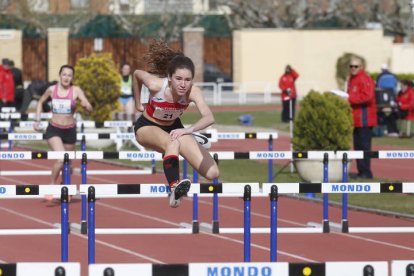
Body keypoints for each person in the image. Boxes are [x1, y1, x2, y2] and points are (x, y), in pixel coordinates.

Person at [133, 40, 219, 208]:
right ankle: (174, 189)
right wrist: (138, 102)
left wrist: (189, 130)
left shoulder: (193, 92)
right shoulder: (155, 85)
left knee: (212, 172)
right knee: (172, 143)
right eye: (178, 79)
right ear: (169, 78)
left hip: (174, 128)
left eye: (187, 80)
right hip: (147, 127)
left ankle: (190, 138)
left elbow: (209, 117)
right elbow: (136, 74)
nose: (183, 84)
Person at [34, 65, 92, 193]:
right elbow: (40, 102)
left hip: (70, 131)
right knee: (61, 159)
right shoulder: (51, 89)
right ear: (60, 75)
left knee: (68, 164)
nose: (66, 77)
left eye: (69, 75)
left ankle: (64, 185)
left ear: (72, 78)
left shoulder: (76, 90)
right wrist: (37, 120)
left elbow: (89, 108)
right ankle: (52, 185)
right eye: (64, 74)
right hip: (54, 129)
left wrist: (86, 106)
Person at [347, 56, 377, 179]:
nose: (353, 68)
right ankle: (361, 171)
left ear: (361, 67)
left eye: (356, 66)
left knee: (364, 146)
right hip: (355, 119)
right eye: (351, 66)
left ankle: (366, 172)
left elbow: (367, 96)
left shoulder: (364, 79)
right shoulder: (352, 79)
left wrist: (349, 99)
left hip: (364, 118)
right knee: (358, 146)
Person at [375, 63, 399, 136]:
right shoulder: (393, 75)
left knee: (380, 112)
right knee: (392, 111)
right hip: (392, 97)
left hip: (382, 98)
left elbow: (378, 86)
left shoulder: (380, 76)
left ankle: (383, 128)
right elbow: (396, 84)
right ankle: (391, 129)